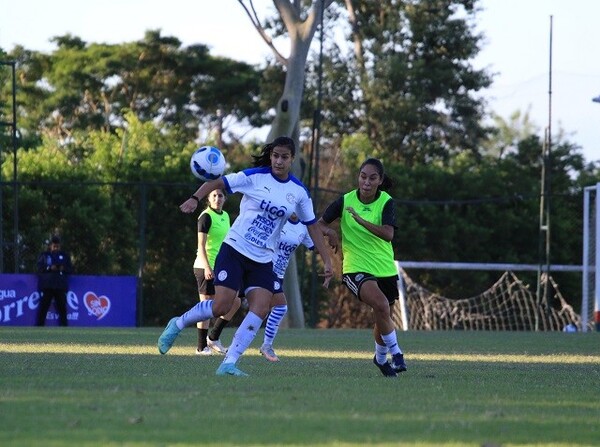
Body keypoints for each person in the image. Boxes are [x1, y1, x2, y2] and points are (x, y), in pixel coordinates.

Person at [158, 136, 333, 377]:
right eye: (275, 156)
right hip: (235, 250)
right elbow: (216, 182)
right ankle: (178, 323)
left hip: (263, 259)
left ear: (292, 159)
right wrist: (194, 198)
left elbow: (312, 225)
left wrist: (327, 259)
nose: (279, 161)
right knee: (222, 305)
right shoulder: (253, 177)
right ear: (270, 156)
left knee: (260, 308)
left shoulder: (298, 192)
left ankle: (229, 363)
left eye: (284, 157)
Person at [317, 158, 408, 377]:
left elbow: (388, 234)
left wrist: (360, 221)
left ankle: (379, 357)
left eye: (372, 178)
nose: (366, 182)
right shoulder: (345, 200)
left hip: (384, 267)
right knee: (381, 304)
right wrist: (331, 232)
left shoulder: (386, 201)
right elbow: (318, 224)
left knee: (382, 314)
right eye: (363, 177)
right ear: (358, 177)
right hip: (355, 267)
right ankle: (396, 354)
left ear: (380, 180)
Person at [258, 213, 318, 362]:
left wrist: (327, 235)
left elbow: (313, 246)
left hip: (279, 273)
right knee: (278, 308)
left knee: (260, 309)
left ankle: (213, 338)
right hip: (264, 267)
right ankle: (266, 345)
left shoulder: (303, 227)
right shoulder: (278, 220)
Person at [193, 189, 241, 355]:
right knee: (206, 305)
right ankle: (201, 347)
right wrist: (207, 267)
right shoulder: (205, 216)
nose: (217, 198)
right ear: (208, 198)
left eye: (220, 195)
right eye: (214, 195)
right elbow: (201, 245)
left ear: (225, 198)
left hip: (222, 268)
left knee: (235, 302)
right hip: (205, 266)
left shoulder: (226, 216)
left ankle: (213, 338)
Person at [35, 235, 73, 326]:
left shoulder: (64, 256)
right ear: (50, 246)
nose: (56, 247)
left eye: (57, 246)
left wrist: (62, 269)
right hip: (47, 286)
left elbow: (70, 270)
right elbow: (39, 269)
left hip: (60, 286)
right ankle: (39, 327)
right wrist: (49, 268)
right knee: (43, 307)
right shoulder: (44, 255)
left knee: (62, 308)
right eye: (54, 245)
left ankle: (64, 328)